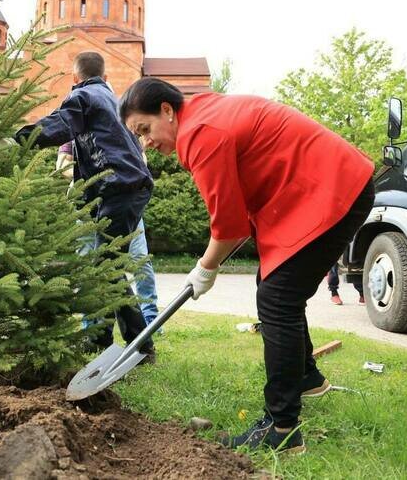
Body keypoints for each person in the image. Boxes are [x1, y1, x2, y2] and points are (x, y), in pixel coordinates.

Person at [119, 78, 375, 454]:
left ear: (167, 111)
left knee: (278, 299)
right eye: (137, 136)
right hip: (324, 186)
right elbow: (236, 216)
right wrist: (211, 263)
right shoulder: (202, 114)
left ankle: (282, 429)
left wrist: (205, 268)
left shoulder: (201, 134)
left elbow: (228, 225)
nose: (146, 142)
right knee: (274, 285)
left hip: (332, 189)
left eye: (145, 129)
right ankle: (305, 378)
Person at [15, 51, 156, 360]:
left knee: (107, 269)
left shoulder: (84, 95)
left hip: (120, 188)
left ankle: (141, 346)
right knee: (107, 268)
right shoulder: (110, 99)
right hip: (123, 189)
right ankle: (102, 338)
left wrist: (18, 138)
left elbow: (58, 124)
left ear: (74, 78)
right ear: (104, 76)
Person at [57, 141, 162, 330]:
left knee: (140, 260)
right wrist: (98, 177)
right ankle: (91, 324)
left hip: (124, 207)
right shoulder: (75, 131)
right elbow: (62, 166)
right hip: (87, 209)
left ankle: (151, 319)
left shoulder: (118, 127)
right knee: (88, 265)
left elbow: (141, 161)